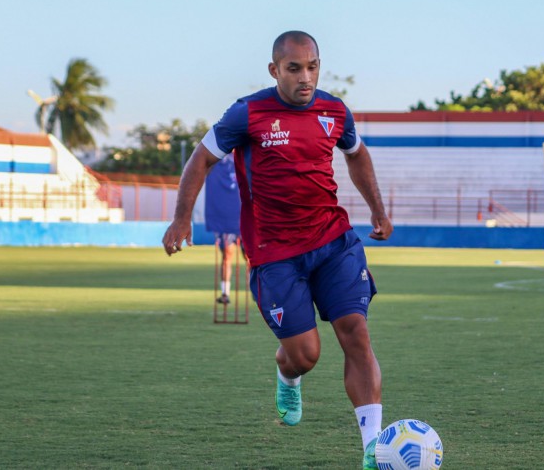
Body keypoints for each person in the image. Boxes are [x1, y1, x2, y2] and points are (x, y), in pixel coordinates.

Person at [162, 30, 393, 469]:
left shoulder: (334, 111)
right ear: (275, 70)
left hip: (333, 241)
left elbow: (357, 154)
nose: (305, 78)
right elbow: (202, 158)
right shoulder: (247, 113)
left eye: (312, 67)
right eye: (294, 69)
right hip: (274, 253)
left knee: (356, 333)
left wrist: (378, 210)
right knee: (305, 355)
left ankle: (373, 448)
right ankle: (287, 375)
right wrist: (181, 217)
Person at [204, 153, 243, 304]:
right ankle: (225, 293)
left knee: (251, 258)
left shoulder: (245, 156)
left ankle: (255, 291)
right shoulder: (216, 160)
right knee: (227, 255)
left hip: (246, 216)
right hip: (226, 218)